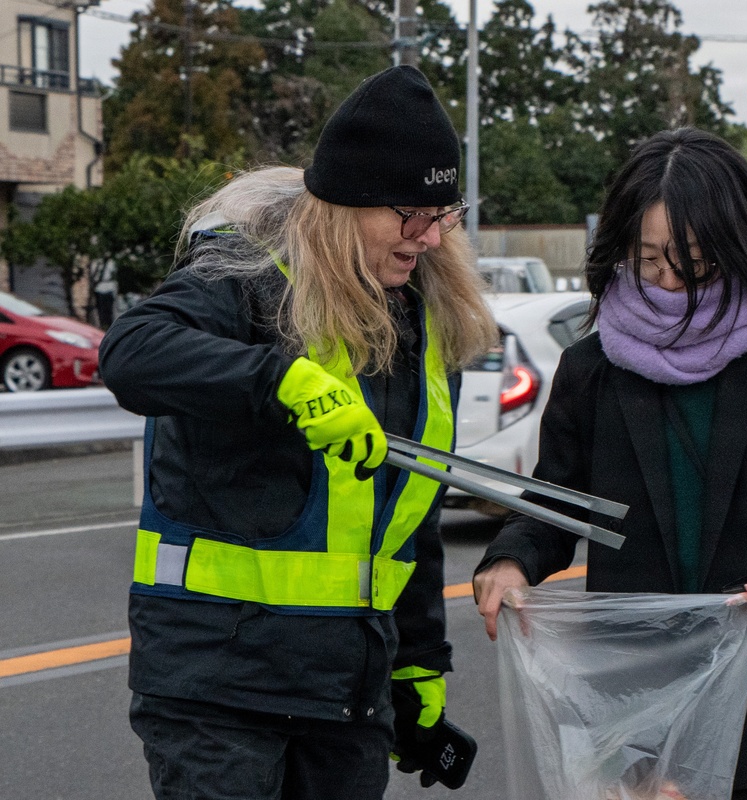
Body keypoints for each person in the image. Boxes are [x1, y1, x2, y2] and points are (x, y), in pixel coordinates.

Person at [99, 65, 496, 800]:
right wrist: (282, 382)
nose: (429, 236)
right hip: (217, 689)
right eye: (410, 213)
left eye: (444, 213)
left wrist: (416, 663)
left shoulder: (420, 318)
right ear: (347, 204)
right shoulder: (246, 275)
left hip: (346, 698)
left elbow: (407, 517)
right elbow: (131, 353)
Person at [473, 128, 747, 800]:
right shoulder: (593, 368)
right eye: (647, 260)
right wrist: (511, 560)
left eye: (692, 263)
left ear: (738, 245)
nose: (667, 281)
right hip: (639, 710)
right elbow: (555, 508)